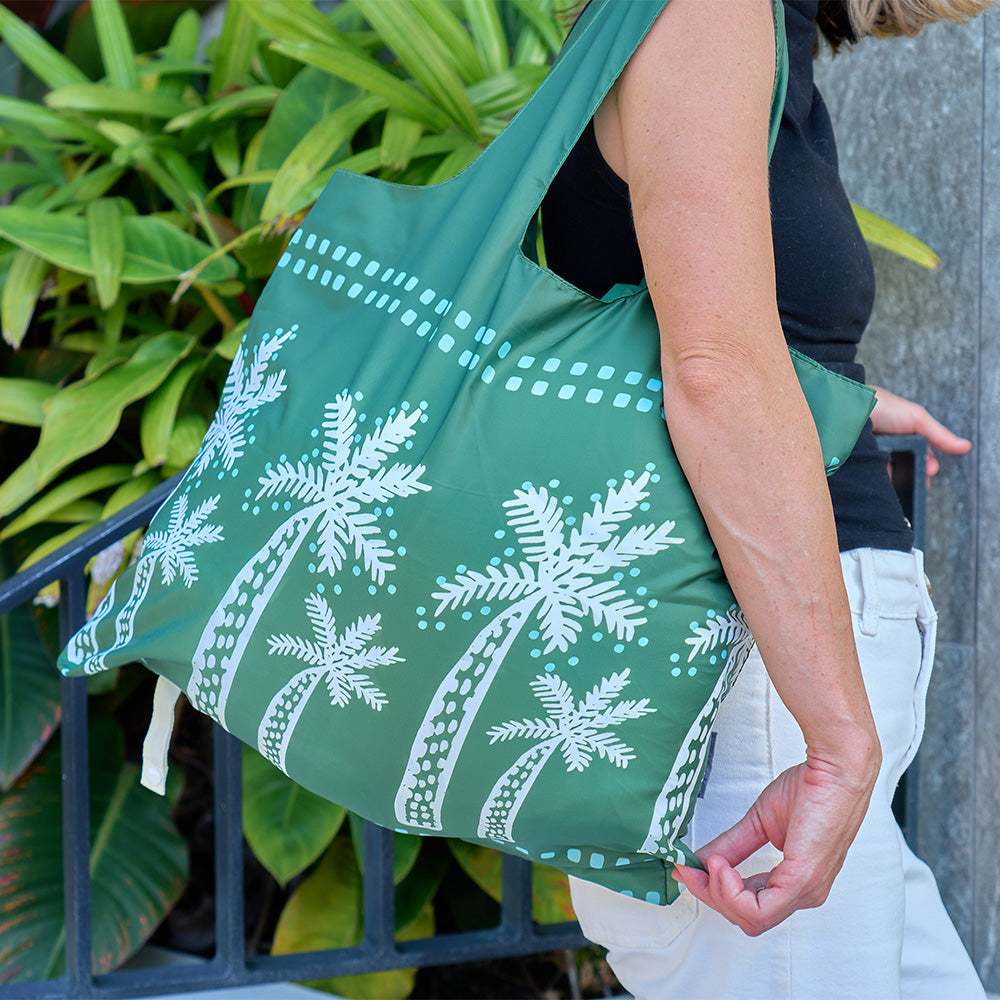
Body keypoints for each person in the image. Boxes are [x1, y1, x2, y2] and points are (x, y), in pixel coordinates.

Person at [540, 0, 990, 996]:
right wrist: (837, 743)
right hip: (752, 675)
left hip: (768, 672)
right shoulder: (706, 12)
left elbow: (685, 319)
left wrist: (827, 395)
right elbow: (713, 375)